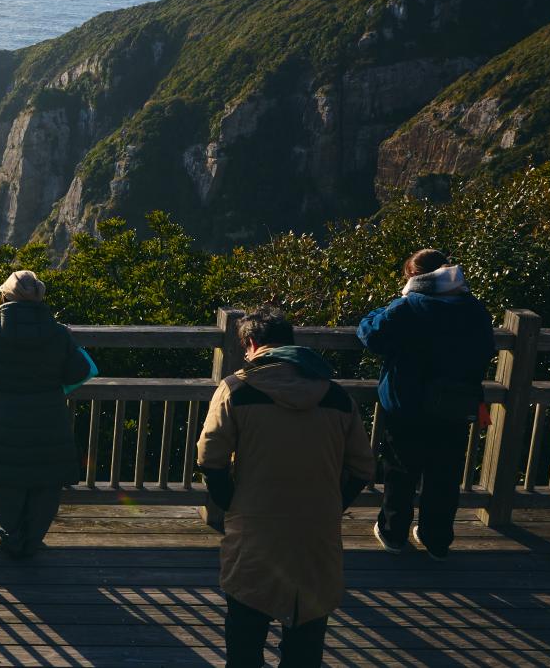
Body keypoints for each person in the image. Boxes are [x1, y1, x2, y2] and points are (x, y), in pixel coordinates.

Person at [198, 307, 376, 668]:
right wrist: (333, 505)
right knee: (306, 639)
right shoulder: (337, 397)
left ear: (251, 344)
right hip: (317, 529)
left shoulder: (237, 389)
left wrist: (231, 504)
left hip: (255, 525)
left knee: (245, 634)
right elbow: (362, 467)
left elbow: (210, 458)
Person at [358, 249, 497, 560]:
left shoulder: (410, 307)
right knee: (444, 474)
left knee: (400, 471)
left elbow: (371, 334)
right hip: (454, 406)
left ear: (416, 278)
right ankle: (436, 539)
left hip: (408, 405)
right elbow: (486, 348)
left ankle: (394, 534)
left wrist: (390, 305)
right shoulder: (473, 310)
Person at [0, 270, 93, 558]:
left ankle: (10, 539)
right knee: (46, 481)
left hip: (3, 422)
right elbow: (79, 370)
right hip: (49, 421)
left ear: (4, 296)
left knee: (5, 481)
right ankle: (33, 541)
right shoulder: (57, 333)